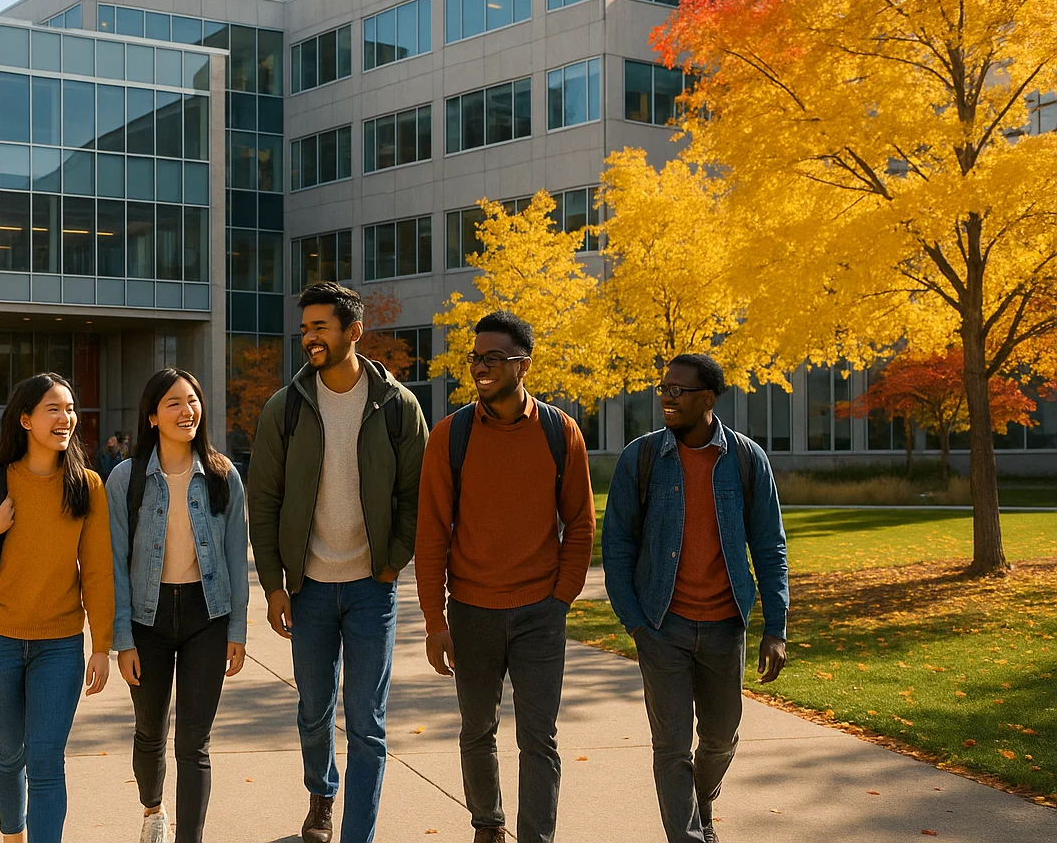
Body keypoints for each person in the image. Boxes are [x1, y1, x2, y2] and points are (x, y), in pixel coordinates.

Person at [246, 281, 428, 843]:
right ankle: (321, 795)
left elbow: (417, 493)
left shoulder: (397, 405)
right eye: (305, 329)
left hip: (373, 587)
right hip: (310, 588)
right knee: (313, 711)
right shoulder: (286, 408)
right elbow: (266, 500)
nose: (309, 338)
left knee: (368, 724)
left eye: (320, 327)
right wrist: (275, 584)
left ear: (354, 330)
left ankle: (358, 834)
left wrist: (394, 563)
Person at [415, 311, 596, 843]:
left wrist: (560, 598)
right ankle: (488, 827)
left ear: (524, 365)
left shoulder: (561, 433)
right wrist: (433, 618)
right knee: (477, 733)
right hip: (471, 613)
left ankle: (536, 836)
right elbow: (432, 532)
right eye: (475, 358)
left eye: (493, 358)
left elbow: (581, 524)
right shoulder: (451, 436)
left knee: (540, 739)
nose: (480, 367)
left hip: (541, 611)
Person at [601, 354, 789, 843]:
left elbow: (770, 546)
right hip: (663, 625)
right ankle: (687, 835)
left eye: (678, 390)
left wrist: (775, 628)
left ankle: (701, 802)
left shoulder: (747, 460)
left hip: (726, 626)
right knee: (671, 748)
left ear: (708, 399)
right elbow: (616, 547)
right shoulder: (640, 458)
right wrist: (637, 625)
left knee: (720, 739)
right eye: (663, 387)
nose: (666, 396)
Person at [0, 373, 114, 843]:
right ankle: (11, 834)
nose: (66, 419)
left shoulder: (88, 486)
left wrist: (102, 645)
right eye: (53, 409)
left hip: (58, 647)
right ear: (26, 419)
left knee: (44, 759)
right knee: (6, 753)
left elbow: (98, 572)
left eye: (71, 409)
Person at [106, 368, 249, 843]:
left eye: (192, 401)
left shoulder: (223, 475)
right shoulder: (126, 479)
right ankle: (153, 811)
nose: (187, 411)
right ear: (151, 416)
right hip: (146, 620)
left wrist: (237, 631)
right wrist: (121, 639)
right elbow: (115, 566)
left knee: (194, 741)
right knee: (149, 730)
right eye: (173, 402)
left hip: (206, 616)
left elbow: (234, 557)